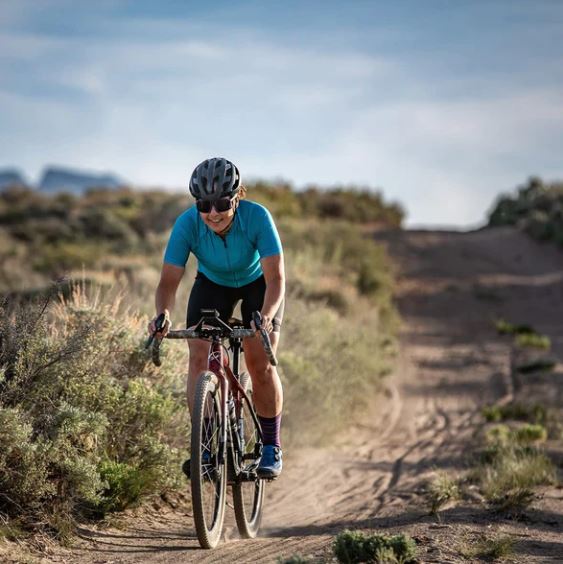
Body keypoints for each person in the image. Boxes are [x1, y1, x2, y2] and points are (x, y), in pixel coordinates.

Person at [148, 157, 285, 478]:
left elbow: (277, 279)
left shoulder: (257, 217)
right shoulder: (187, 224)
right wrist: (162, 314)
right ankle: (206, 447)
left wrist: (266, 317)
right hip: (212, 285)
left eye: (221, 203)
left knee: (260, 363)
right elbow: (168, 282)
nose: (212, 213)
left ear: (236, 198)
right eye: (203, 205)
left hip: (259, 285)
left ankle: (271, 446)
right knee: (199, 358)